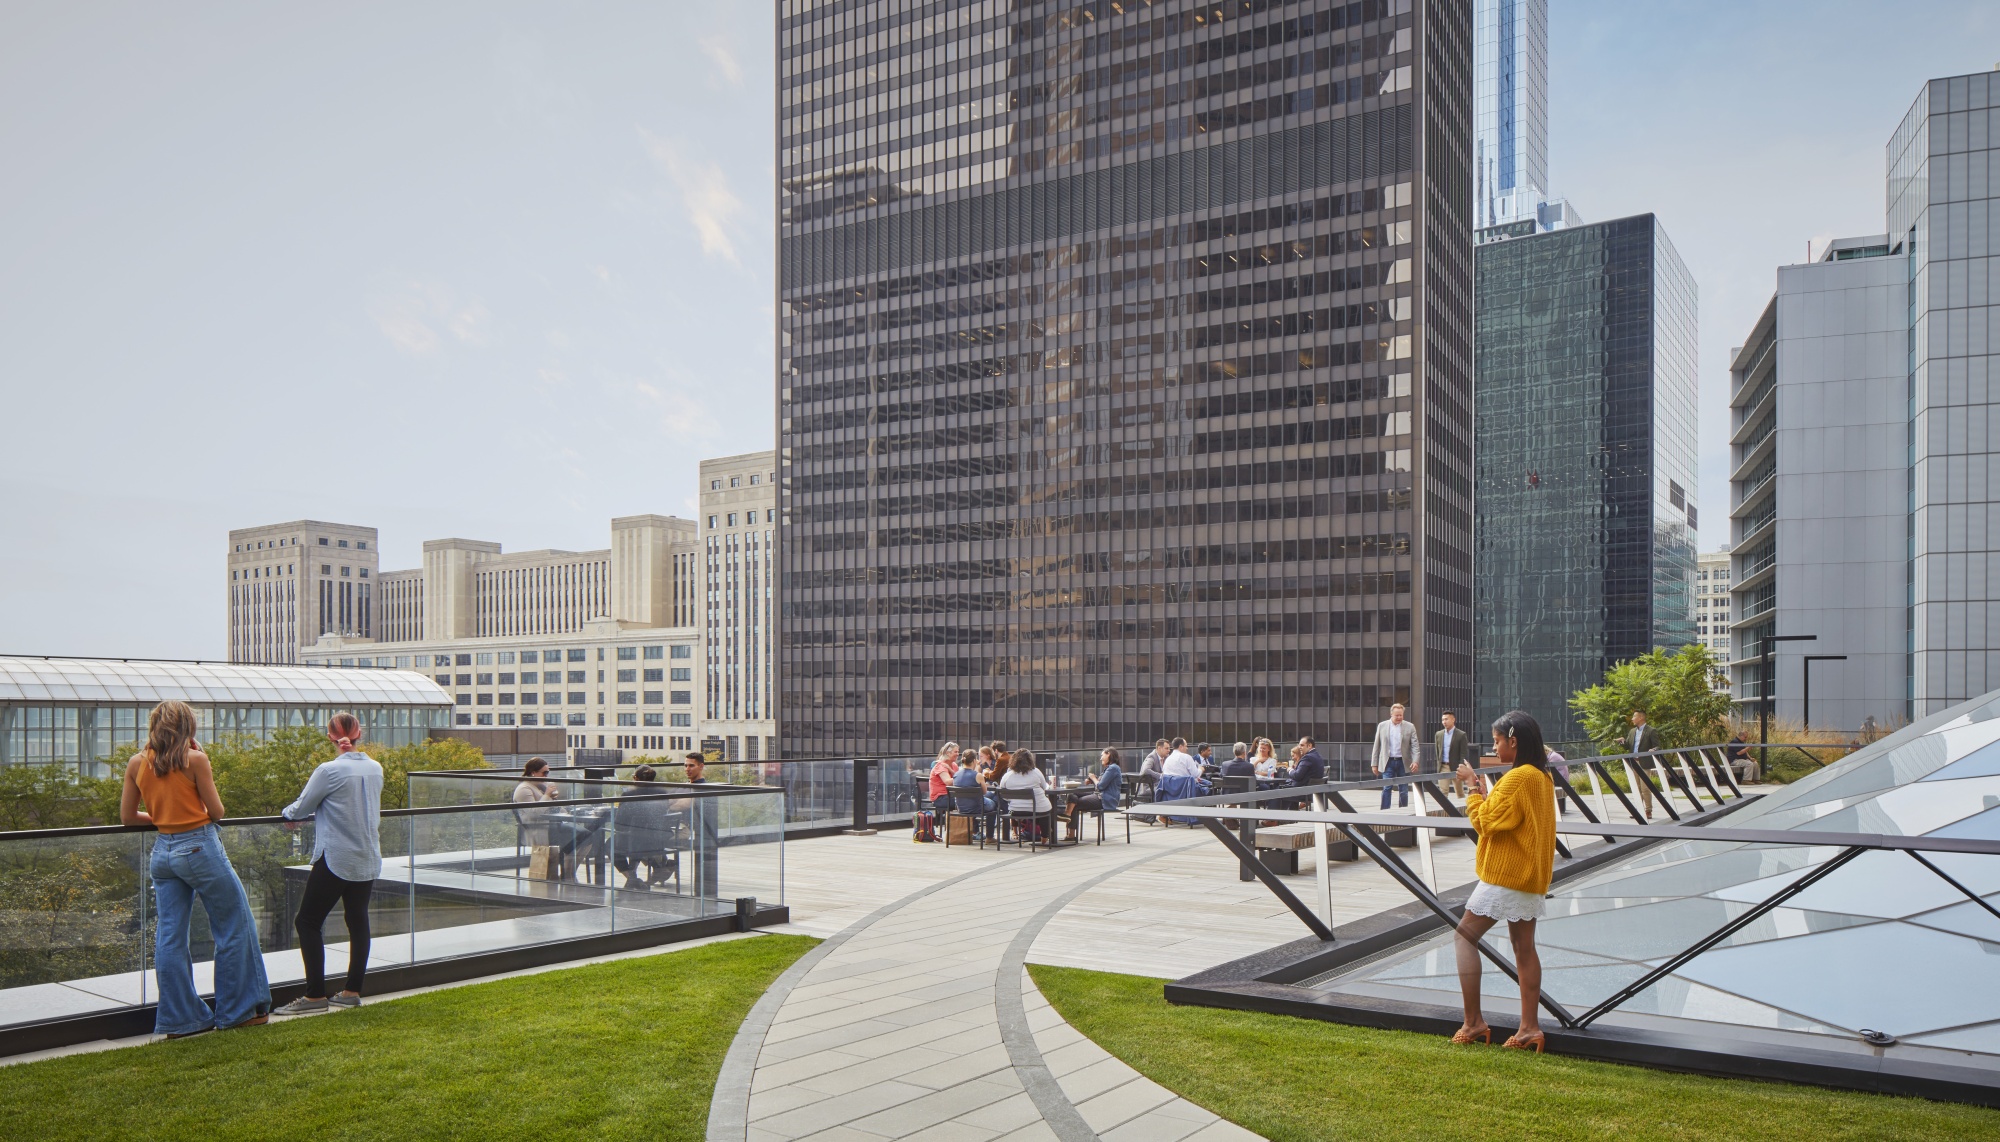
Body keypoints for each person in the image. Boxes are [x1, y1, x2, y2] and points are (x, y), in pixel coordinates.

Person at [121, 700, 271, 1038]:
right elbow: (216, 812)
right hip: (200, 848)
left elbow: (128, 818)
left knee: (170, 936)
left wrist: (163, 818)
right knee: (234, 924)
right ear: (188, 727)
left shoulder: (136, 763)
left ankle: (180, 1020)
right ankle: (238, 1011)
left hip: (162, 852)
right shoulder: (196, 760)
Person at [1450, 709, 1557, 1053]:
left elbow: (1486, 823)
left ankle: (1473, 1023)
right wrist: (1482, 789)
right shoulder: (1541, 777)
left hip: (1506, 874)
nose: (1494, 748)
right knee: (1524, 950)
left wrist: (1470, 789)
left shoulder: (1517, 777)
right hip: (1531, 876)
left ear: (1513, 741)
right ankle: (1529, 1029)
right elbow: (1511, 816)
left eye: (1497, 741)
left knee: (1464, 936)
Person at [274, 712, 385, 1015]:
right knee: (358, 920)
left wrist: (288, 814)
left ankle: (314, 997)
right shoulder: (376, 768)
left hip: (336, 856)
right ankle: (351, 991)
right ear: (359, 734)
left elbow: (299, 809)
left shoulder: (329, 770)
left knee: (307, 921)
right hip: (367, 855)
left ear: (330, 737)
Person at [613, 765, 680, 890]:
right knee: (636, 840)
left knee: (609, 845)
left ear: (635, 778)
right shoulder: (662, 792)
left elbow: (618, 824)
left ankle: (632, 878)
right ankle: (655, 869)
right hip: (657, 839)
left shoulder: (629, 795)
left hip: (635, 840)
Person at [998, 748, 1054, 841]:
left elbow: (1003, 792)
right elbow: (1044, 787)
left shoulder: (1008, 775)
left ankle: (1033, 833)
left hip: (1016, 810)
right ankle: (1045, 835)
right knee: (1045, 810)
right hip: (1037, 808)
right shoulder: (1036, 772)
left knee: (1036, 810)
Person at [1371, 703, 1420, 809]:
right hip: (1387, 762)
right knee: (1387, 787)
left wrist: (1415, 761)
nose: (1399, 717)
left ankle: (1403, 810)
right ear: (1391, 714)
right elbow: (1376, 746)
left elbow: (1415, 746)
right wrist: (1374, 764)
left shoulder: (1410, 726)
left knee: (1403, 789)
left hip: (1403, 762)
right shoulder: (1382, 726)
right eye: (1396, 715)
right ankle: (1385, 811)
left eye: (1401, 715)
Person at [1065, 747, 1123, 827]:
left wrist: (1093, 778)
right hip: (1100, 796)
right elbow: (1102, 783)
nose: (1100, 758)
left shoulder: (1113, 768)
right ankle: (1067, 815)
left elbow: (1100, 786)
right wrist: (1093, 780)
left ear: (1108, 754)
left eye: (1102, 755)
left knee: (1075, 803)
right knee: (1072, 795)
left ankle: (1070, 833)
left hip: (1105, 800)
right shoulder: (1110, 768)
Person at [950, 754, 998, 838]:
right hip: (977, 807)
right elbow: (984, 792)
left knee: (975, 799)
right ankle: (989, 837)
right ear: (974, 761)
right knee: (995, 802)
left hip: (961, 808)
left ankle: (976, 832)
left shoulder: (956, 775)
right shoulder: (978, 775)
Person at [1629, 710, 1662, 819]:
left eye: (1634, 716)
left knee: (1645, 788)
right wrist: (1623, 741)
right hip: (1634, 762)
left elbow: (1658, 746)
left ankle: (1648, 810)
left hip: (1644, 762)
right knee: (1637, 788)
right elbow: (1628, 746)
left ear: (1641, 718)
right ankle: (1638, 810)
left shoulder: (1651, 731)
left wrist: (1653, 749)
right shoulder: (1632, 731)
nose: (1632, 718)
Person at [1436, 711, 1472, 797]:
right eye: (1443, 719)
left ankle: (1463, 809)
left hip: (1456, 767)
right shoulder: (1439, 734)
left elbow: (1463, 752)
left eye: (1446, 719)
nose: (1444, 722)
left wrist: (1461, 766)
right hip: (1443, 766)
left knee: (1459, 792)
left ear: (1453, 720)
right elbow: (1438, 751)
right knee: (1443, 792)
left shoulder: (1461, 734)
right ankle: (1445, 809)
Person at [928, 742, 961, 815]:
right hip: (940, 798)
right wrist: (963, 777)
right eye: (955, 752)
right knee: (967, 802)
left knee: (970, 800)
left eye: (958, 752)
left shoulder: (954, 765)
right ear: (948, 753)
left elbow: (957, 778)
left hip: (951, 795)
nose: (958, 754)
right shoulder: (940, 766)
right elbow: (948, 782)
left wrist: (952, 771)